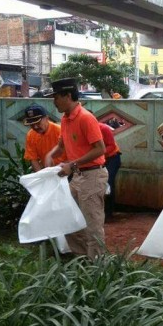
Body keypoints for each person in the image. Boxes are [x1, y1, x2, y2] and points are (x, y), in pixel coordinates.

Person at [45, 78, 108, 259]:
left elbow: (100, 149)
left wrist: (72, 165)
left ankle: (98, 267)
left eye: (56, 97)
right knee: (65, 218)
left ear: (68, 96)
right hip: (78, 176)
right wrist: (50, 155)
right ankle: (82, 257)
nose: (54, 101)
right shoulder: (65, 119)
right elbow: (62, 146)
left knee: (92, 225)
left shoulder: (86, 118)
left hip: (93, 175)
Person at [23, 104, 66, 172]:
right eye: (32, 124)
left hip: (66, 169)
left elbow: (73, 156)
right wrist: (41, 175)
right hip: (47, 171)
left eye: (38, 123)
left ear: (47, 118)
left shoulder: (60, 131)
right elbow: (33, 159)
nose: (35, 127)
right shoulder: (30, 135)